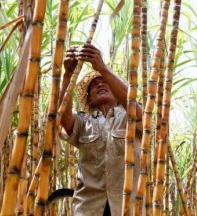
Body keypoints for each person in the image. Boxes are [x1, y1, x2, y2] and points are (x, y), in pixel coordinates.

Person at [59, 44, 143, 216]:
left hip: (126, 207)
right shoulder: (84, 122)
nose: (100, 84)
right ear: (89, 100)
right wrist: (68, 74)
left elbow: (140, 113)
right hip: (88, 208)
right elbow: (63, 118)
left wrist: (102, 68)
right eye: (94, 85)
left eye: (104, 82)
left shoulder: (129, 116)